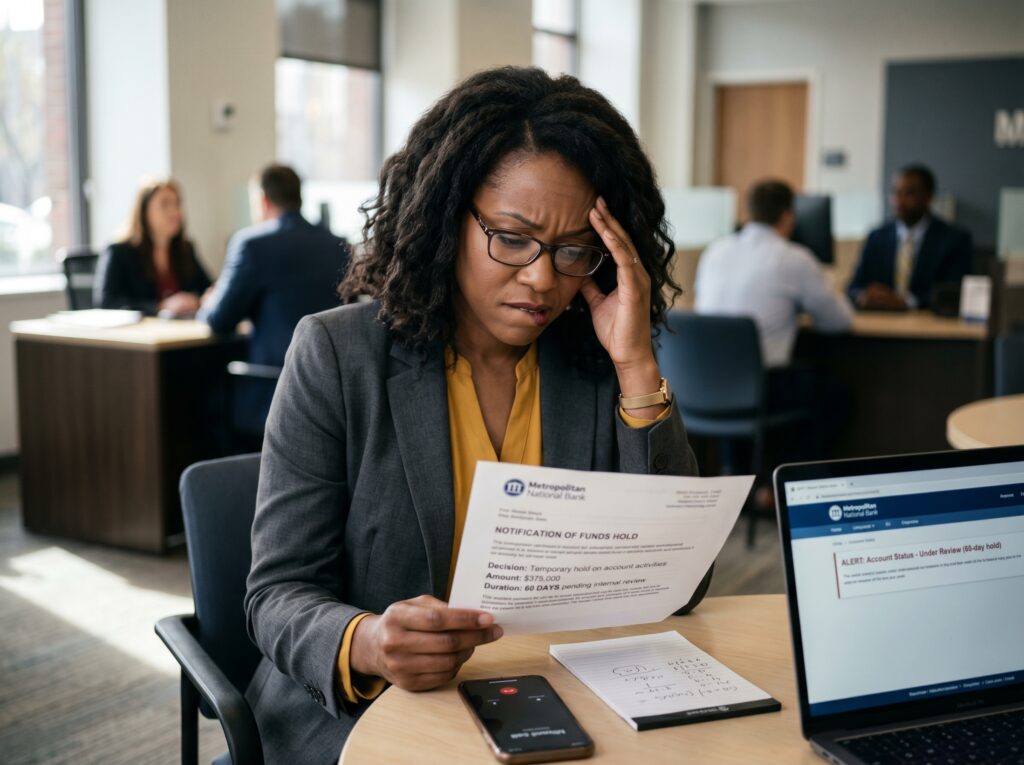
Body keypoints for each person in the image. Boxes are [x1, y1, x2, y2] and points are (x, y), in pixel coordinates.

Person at [244, 66, 703, 762]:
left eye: (574, 249)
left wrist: (638, 366)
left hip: (561, 703)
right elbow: (276, 593)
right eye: (512, 238)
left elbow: (685, 583)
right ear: (446, 216)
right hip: (377, 715)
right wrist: (368, 640)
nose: (543, 278)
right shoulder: (339, 356)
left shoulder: (594, 361)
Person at [198, 164, 349, 437]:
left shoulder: (252, 245)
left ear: (263, 201)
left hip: (273, 388)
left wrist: (208, 301)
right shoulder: (337, 245)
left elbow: (219, 321)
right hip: (334, 390)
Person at [695, 179, 854, 368]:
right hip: (764, 383)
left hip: (704, 380)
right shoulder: (795, 259)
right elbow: (839, 321)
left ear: (748, 215)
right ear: (788, 217)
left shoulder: (714, 251)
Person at [847, 164, 973, 311]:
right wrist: (863, 295)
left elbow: (954, 294)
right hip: (880, 323)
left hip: (926, 328)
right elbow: (853, 287)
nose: (899, 200)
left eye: (909, 193)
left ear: (928, 197)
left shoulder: (954, 239)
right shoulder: (876, 237)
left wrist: (907, 301)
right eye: (895, 192)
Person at [94, 179, 211, 316]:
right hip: (140, 333)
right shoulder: (119, 251)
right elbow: (108, 303)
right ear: (144, 211)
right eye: (165, 204)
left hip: (184, 329)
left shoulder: (185, 249)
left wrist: (199, 300)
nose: (175, 211)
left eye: (177, 204)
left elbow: (208, 289)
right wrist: (161, 306)